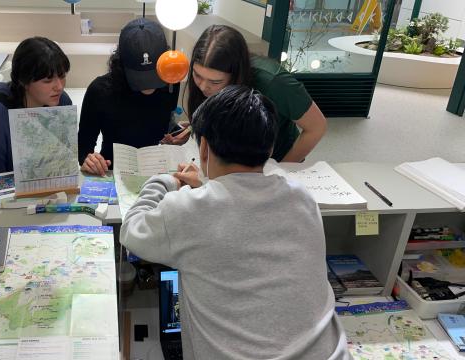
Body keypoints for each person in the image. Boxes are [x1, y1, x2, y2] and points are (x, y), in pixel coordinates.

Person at [120, 86, 349, 359]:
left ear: (203, 148)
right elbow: (242, 207)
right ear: (270, 147)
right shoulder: (302, 197)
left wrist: (167, 180)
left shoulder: (187, 211)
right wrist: (206, 183)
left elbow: (131, 229)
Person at [0, 37, 72, 217]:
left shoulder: (61, 102)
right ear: (23, 81)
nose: (58, 86)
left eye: (62, 75)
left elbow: (62, 158)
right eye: (48, 80)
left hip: (39, 190)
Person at [186, 25, 327, 163]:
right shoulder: (206, 81)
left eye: (215, 82)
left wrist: (282, 171)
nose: (203, 87)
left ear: (236, 74)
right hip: (236, 157)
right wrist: (195, 129)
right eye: (197, 76)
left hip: (277, 159)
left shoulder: (273, 82)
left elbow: (317, 127)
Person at [78, 18, 184, 176]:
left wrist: (176, 134)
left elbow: (159, 119)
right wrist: (90, 161)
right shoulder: (100, 91)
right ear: (121, 64)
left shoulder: (171, 83)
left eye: (155, 76)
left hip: (153, 170)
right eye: (140, 79)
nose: (148, 86)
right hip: (110, 171)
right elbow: (84, 149)